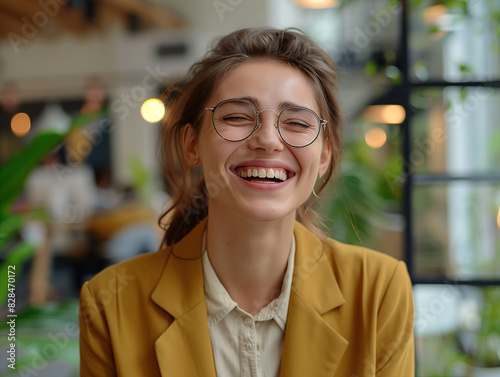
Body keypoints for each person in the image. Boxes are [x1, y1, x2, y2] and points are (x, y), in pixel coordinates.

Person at [79, 27, 415, 377]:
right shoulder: (111, 303)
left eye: (297, 122)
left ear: (325, 153)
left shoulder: (379, 290)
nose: (268, 140)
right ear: (192, 145)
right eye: (237, 117)